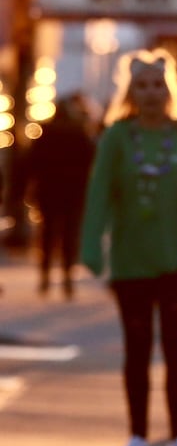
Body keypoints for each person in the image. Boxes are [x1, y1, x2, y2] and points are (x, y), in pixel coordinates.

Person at [81, 48, 177, 446]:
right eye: (142, 86)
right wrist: (91, 243)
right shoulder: (117, 137)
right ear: (131, 91)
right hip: (131, 261)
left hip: (176, 259)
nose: (150, 94)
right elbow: (99, 196)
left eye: (157, 86)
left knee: (176, 347)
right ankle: (137, 433)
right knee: (137, 346)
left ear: (169, 90)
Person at [24, 93, 97, 299]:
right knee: (69, 236)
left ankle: (45, 277)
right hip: (72, 193)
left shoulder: (46, 133)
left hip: (49, 191)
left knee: (47, 235)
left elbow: (32, 162)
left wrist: (30, 187)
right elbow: (90, 162)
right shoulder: (79, 133)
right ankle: (67, 279)